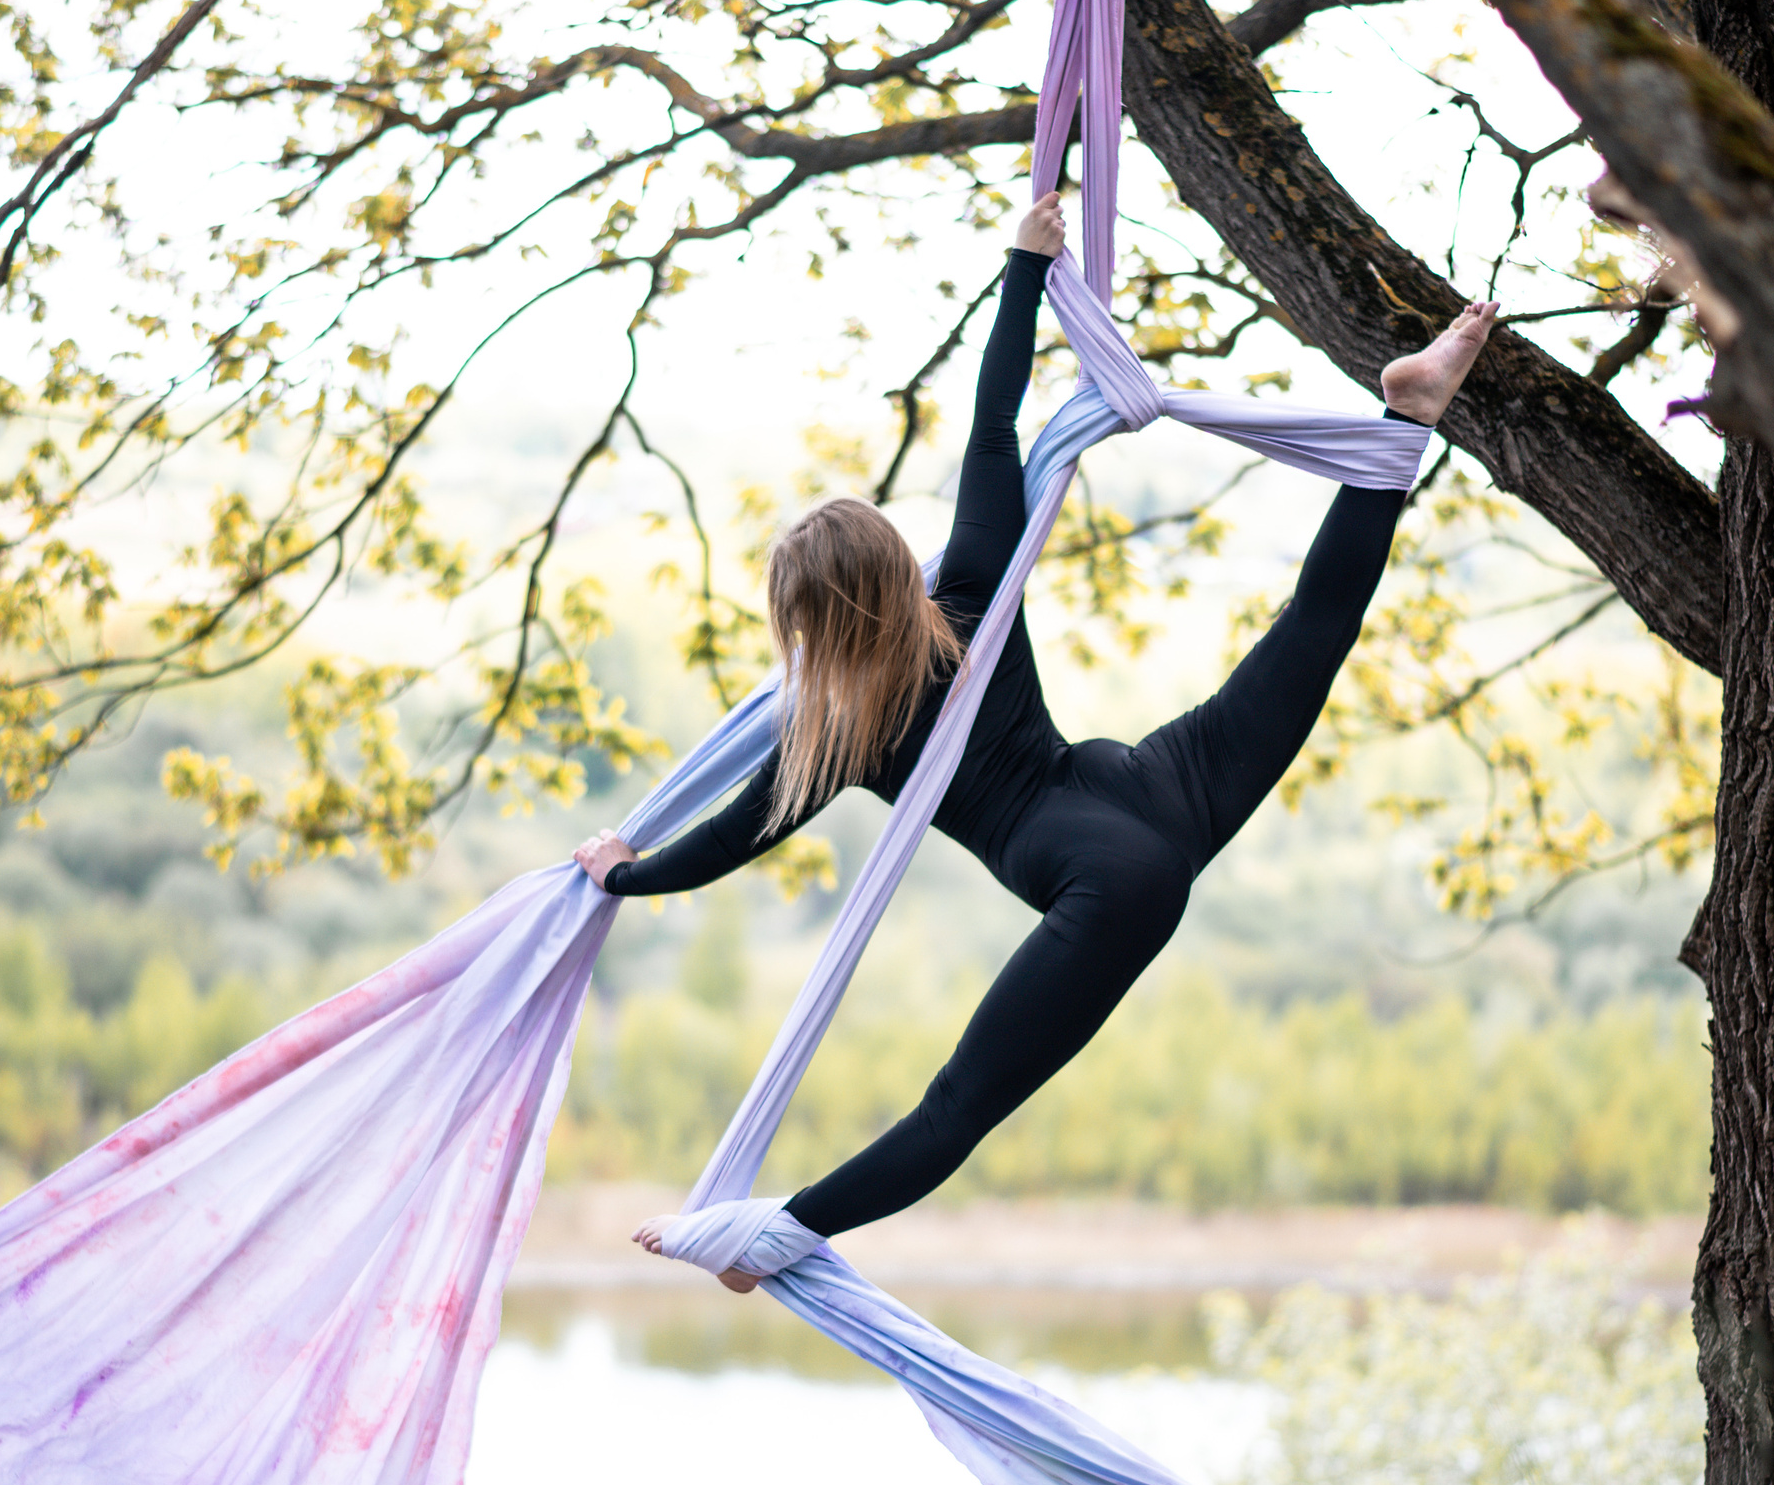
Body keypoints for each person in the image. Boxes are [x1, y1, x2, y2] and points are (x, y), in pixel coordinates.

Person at [574, 191, 1496, 1287]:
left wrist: (621, 877)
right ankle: (1408, 421)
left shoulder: (837, 738)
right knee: (1312, 629)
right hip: (1147, 784)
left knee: (959, 1105)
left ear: (802, 626)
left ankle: (770, 1239)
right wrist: (1023, 265)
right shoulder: (967, 588)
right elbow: (993, 420)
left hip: (1108, 880)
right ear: (892, 564)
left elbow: (728, 840)